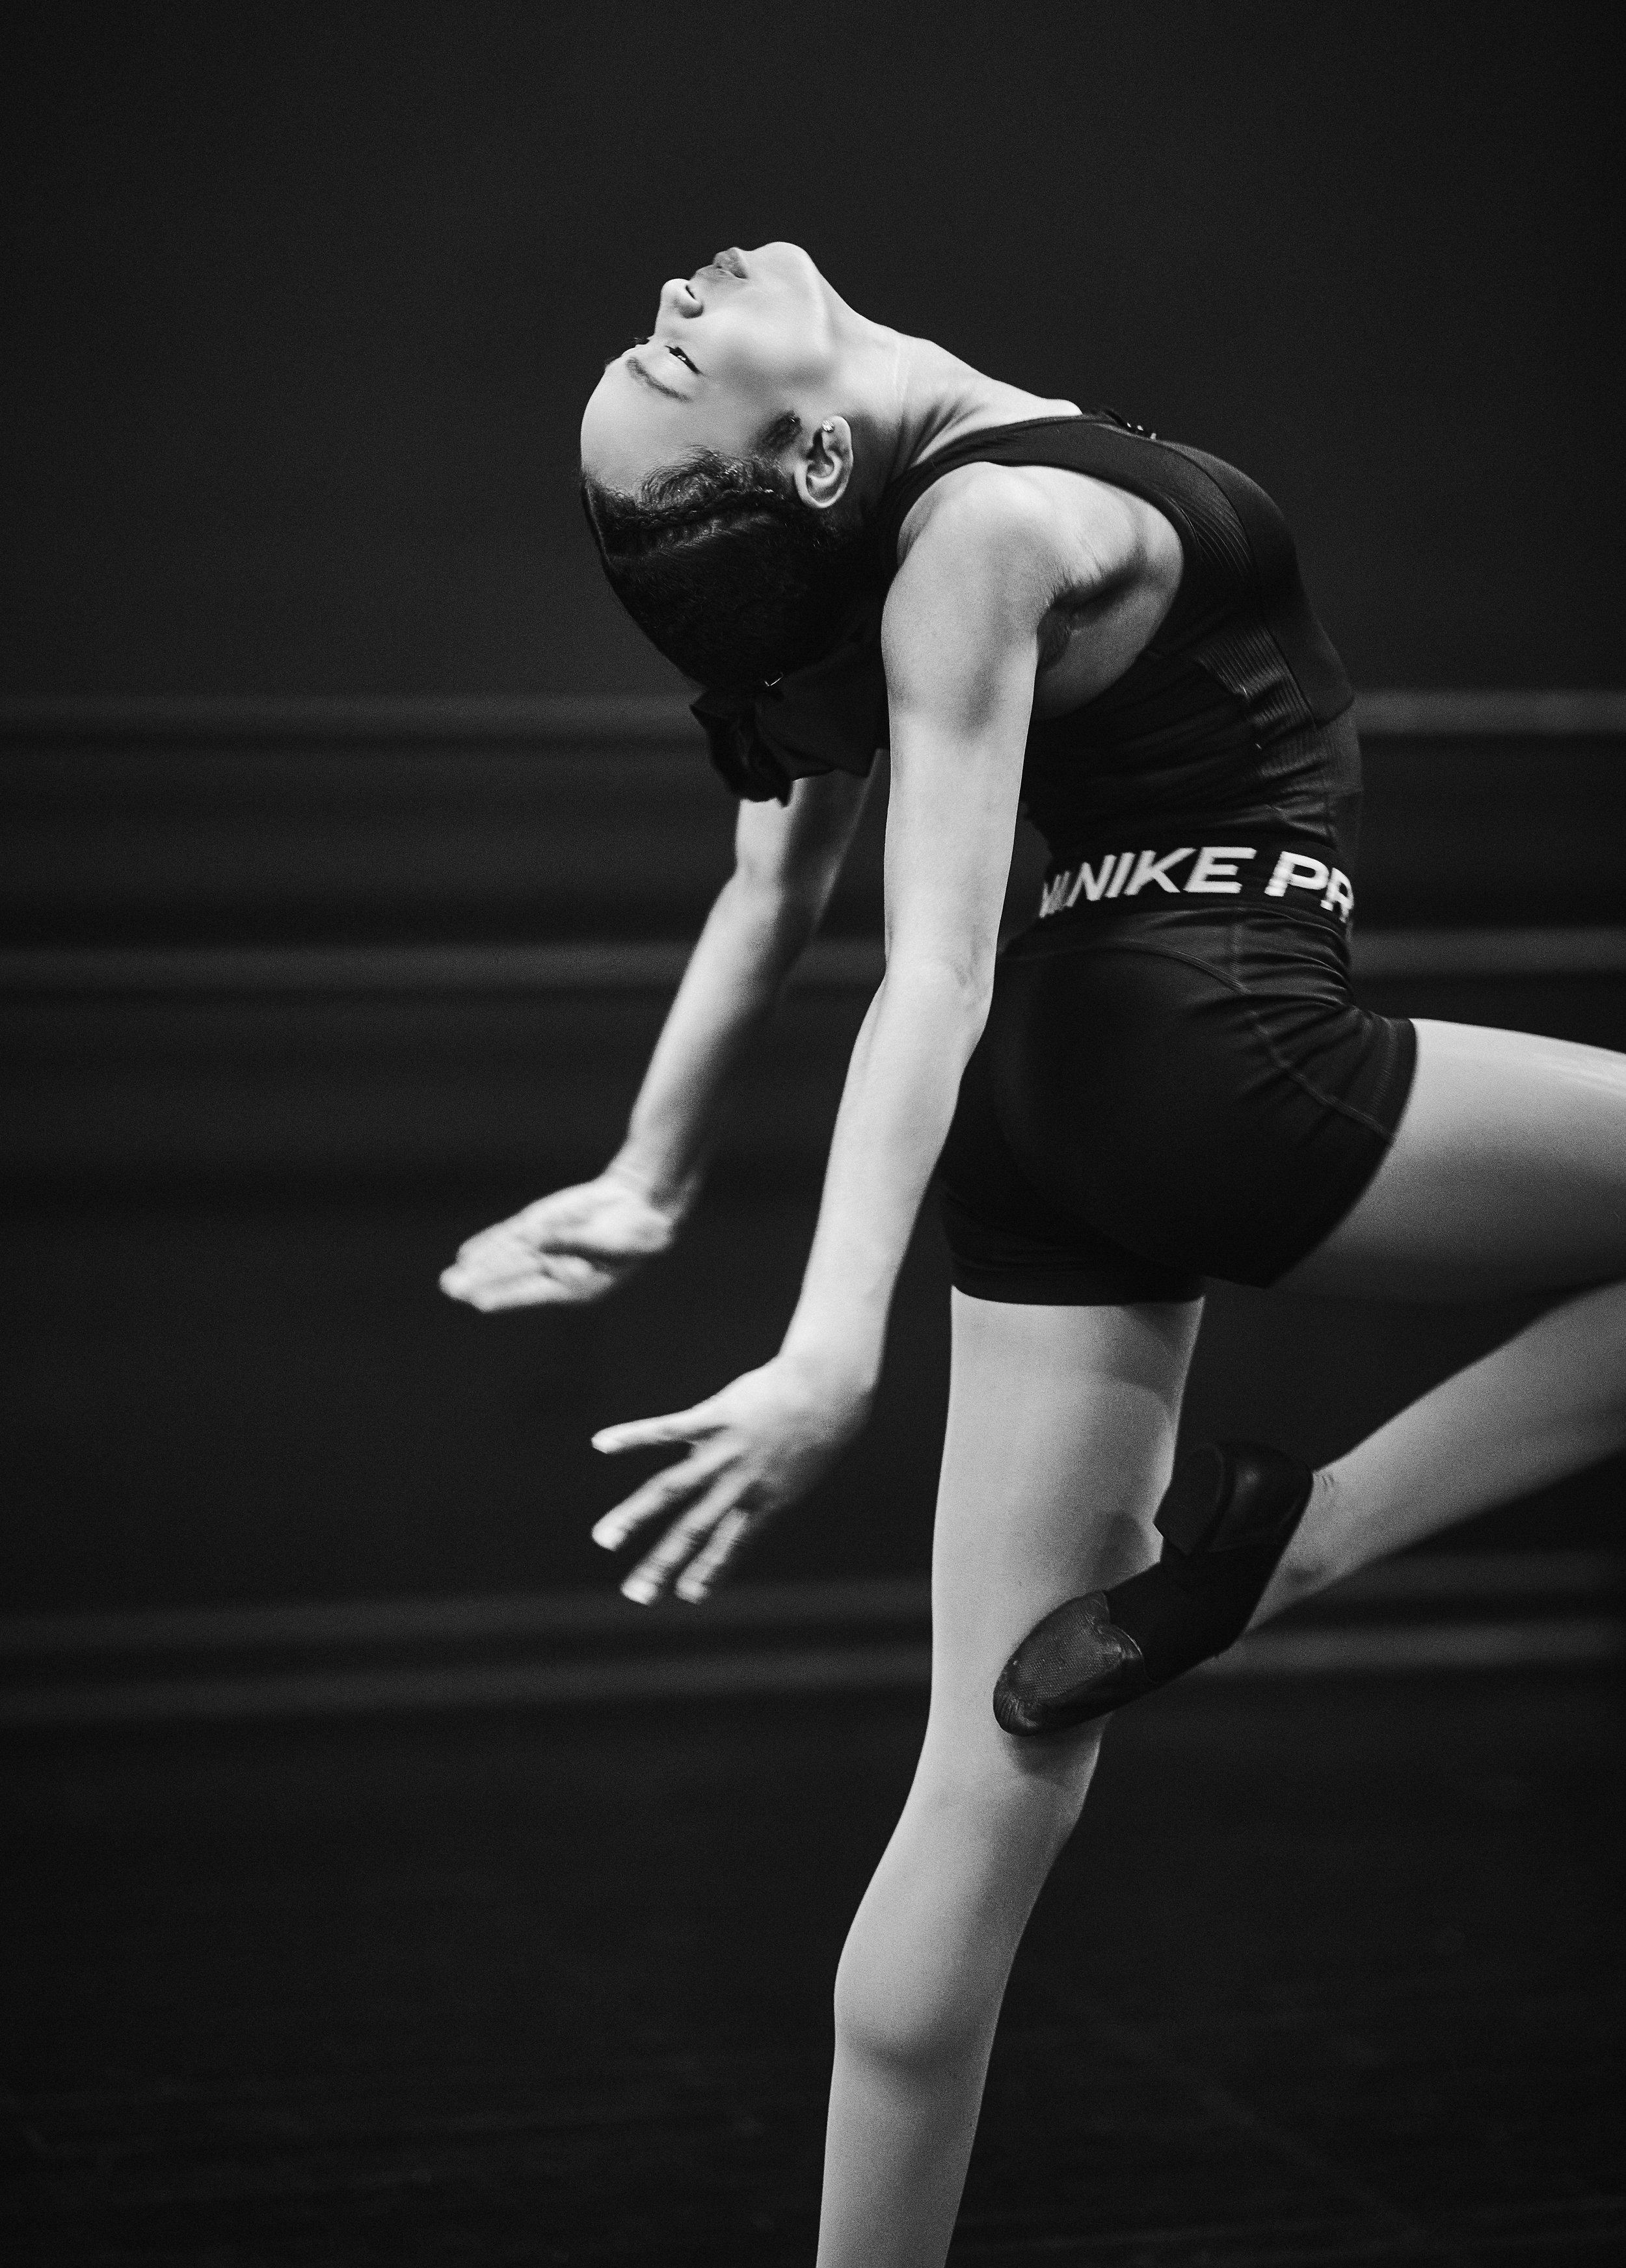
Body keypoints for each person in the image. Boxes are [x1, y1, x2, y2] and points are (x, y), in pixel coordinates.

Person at [440, 242, 1626, 2265]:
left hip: (1055, 1133)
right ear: (812, 459)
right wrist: (830, 1343)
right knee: (1003, 1756)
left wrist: (650, 1180)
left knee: (990, 1774)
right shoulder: (978, 530)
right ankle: (1299, 1542)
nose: (682, 282)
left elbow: (764, 898)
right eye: (672, 350)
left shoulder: (893, 574)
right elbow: (925, 966)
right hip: (1212, 1052)